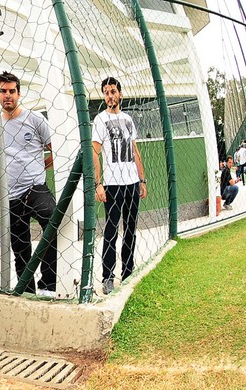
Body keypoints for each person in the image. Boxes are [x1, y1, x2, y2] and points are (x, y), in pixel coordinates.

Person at [0, 71, 58, 298]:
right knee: (20, 250)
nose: (8, 96)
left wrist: (43, 165)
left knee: (52, 221)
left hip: (35, 188)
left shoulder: (36, 120)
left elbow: (56, 149)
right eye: (3, 91)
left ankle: (48, 285)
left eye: (12, 91)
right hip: (10, 196)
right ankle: (27, 292)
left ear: (19, 93)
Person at [92, 77, 148, 295]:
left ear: (120, 94)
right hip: (113, 185)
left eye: (113, 91)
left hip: (132, 183)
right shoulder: (100, 120)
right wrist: (98, 183)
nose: (110, 95)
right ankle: (107, 277)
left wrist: (142, 180)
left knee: (131, 230)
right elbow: (95, 153)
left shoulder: (128, 119)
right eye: (106, 92)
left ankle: (128, 271)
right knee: (111, 231)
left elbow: (135, 151)